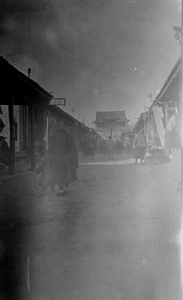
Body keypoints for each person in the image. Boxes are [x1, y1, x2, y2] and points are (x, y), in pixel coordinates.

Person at [48, 120, 78, 196]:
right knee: (58, 173)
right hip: (56, 158)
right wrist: (49, 156)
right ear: (57, 126)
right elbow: (51, 147)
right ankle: (61, 188)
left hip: (65, 158)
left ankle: (65, 188)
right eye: (59, 124)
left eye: (63, 125)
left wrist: (71, 156)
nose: (61, 126)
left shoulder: (68, 136)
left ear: (65, 126)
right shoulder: (54, 136)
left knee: (66, 173)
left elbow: (72, 147)